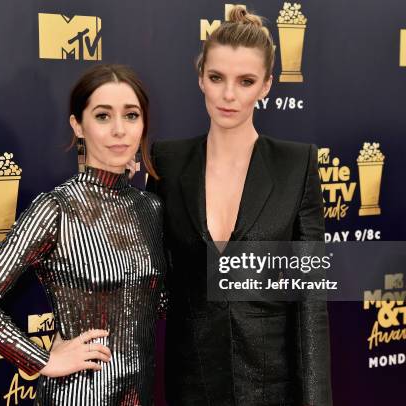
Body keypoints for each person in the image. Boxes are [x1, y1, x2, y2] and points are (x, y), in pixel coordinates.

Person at [144, 6, 332, 406]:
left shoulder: (296, 164)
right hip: (191, 383)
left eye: (245, 81)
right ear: (200, 79)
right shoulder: (167, 161)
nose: (229, 95)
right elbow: (145, 271)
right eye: (217, 78)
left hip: (273, 387)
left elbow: (310, 302)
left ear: (266, 85)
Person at [0, 64, 166, 405]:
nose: (120, 130)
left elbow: (155, 303)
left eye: (132, 115)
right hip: (78, 395)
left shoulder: (150, 208)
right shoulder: (56, 209)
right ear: (78, 125)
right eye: (103, 116)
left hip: (141, 393)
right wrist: (41, 360)